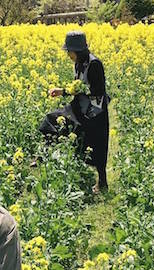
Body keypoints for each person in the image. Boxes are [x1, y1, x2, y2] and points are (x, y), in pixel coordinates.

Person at [48, 30, 110, 194]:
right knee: (53, 120)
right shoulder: (79, 63)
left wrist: (74, 90)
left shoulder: (94, 64)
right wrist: (63, 91)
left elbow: (97, 90)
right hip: (80, 106)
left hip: (95, 111)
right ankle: (49, 157)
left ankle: (102, 182)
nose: (68, 54)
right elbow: (78, 85)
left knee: (97, 144)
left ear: (77, 51)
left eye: (69, 51)